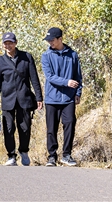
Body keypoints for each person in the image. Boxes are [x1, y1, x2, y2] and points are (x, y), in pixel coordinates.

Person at [0, 32, 43, 166]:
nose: (8, 45)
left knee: (25, 127)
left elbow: (34, 79)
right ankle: (11, 155)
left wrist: (39, 97)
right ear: (3, 44)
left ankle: (24, 151)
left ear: (16, 43)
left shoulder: (26, 57)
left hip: (24, 98)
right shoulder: (0, 61)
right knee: (8, 128)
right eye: (6, 43)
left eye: (11, 43)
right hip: (7, 99)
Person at [40, 27, 83, 167]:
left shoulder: (73, 55)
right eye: (48, 40)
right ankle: (52, 156)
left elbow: (78, 76)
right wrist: (67, 82)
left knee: (70, 124)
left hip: (69, 98)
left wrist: (78, 92)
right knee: (51, 128)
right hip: (52, 98)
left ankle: (66, 155)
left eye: (52, 40)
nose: (50, 43)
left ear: (60, 39)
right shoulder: (46, 56)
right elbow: (50, 77)